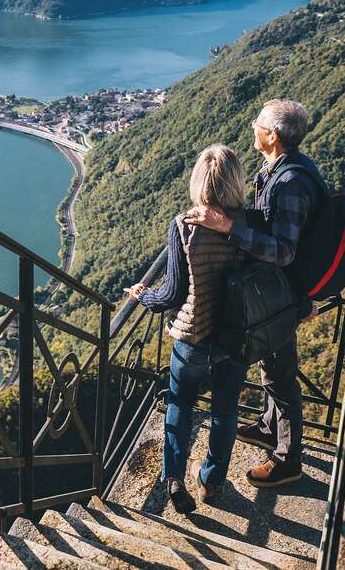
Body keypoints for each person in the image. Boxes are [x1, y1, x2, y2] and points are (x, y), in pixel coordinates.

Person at [185, 99, 326, 489]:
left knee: (281, 378)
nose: (252, 127)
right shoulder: (280, 170)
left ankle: (286, 459)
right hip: (275, 294)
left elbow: (283, 251)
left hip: (282, 296)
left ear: (272, 136)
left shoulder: (291, 182)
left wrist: (228, 226)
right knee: (271, 368)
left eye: (257, 124)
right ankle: (268, 428)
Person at [124, 144, 247, 513]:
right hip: (236, 335)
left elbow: (172, 293)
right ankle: (211, 482)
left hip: (193, 336)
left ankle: (174, 478)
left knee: (179, 404)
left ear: (197, 181)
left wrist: (143, 294)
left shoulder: (184, 226)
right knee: (225, 411)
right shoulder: (250, 224)